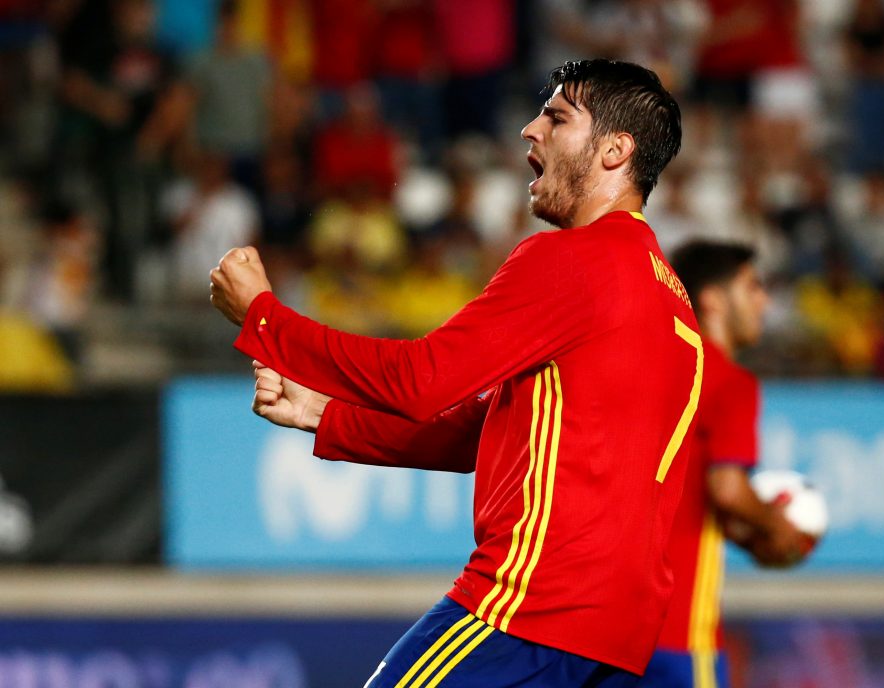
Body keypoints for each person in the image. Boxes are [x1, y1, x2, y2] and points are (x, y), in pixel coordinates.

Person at [211, 59, 700, 687]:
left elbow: (423, 379)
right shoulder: (671, 300)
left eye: (556, 117)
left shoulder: (575, 260)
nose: (530, 130)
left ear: (615, 150)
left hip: (532, 605)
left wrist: (264, 318)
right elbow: (481, 433)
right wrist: (322, 415)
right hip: (617, 637)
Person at [640, 241, 814, 688]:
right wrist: (777, 529)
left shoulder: (650, 370)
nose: (764, 301)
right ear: (713, 299)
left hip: (607, 633)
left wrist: (742, 529)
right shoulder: (731, 383)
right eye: (752, 287)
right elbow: (729, 490)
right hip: (679, 633)